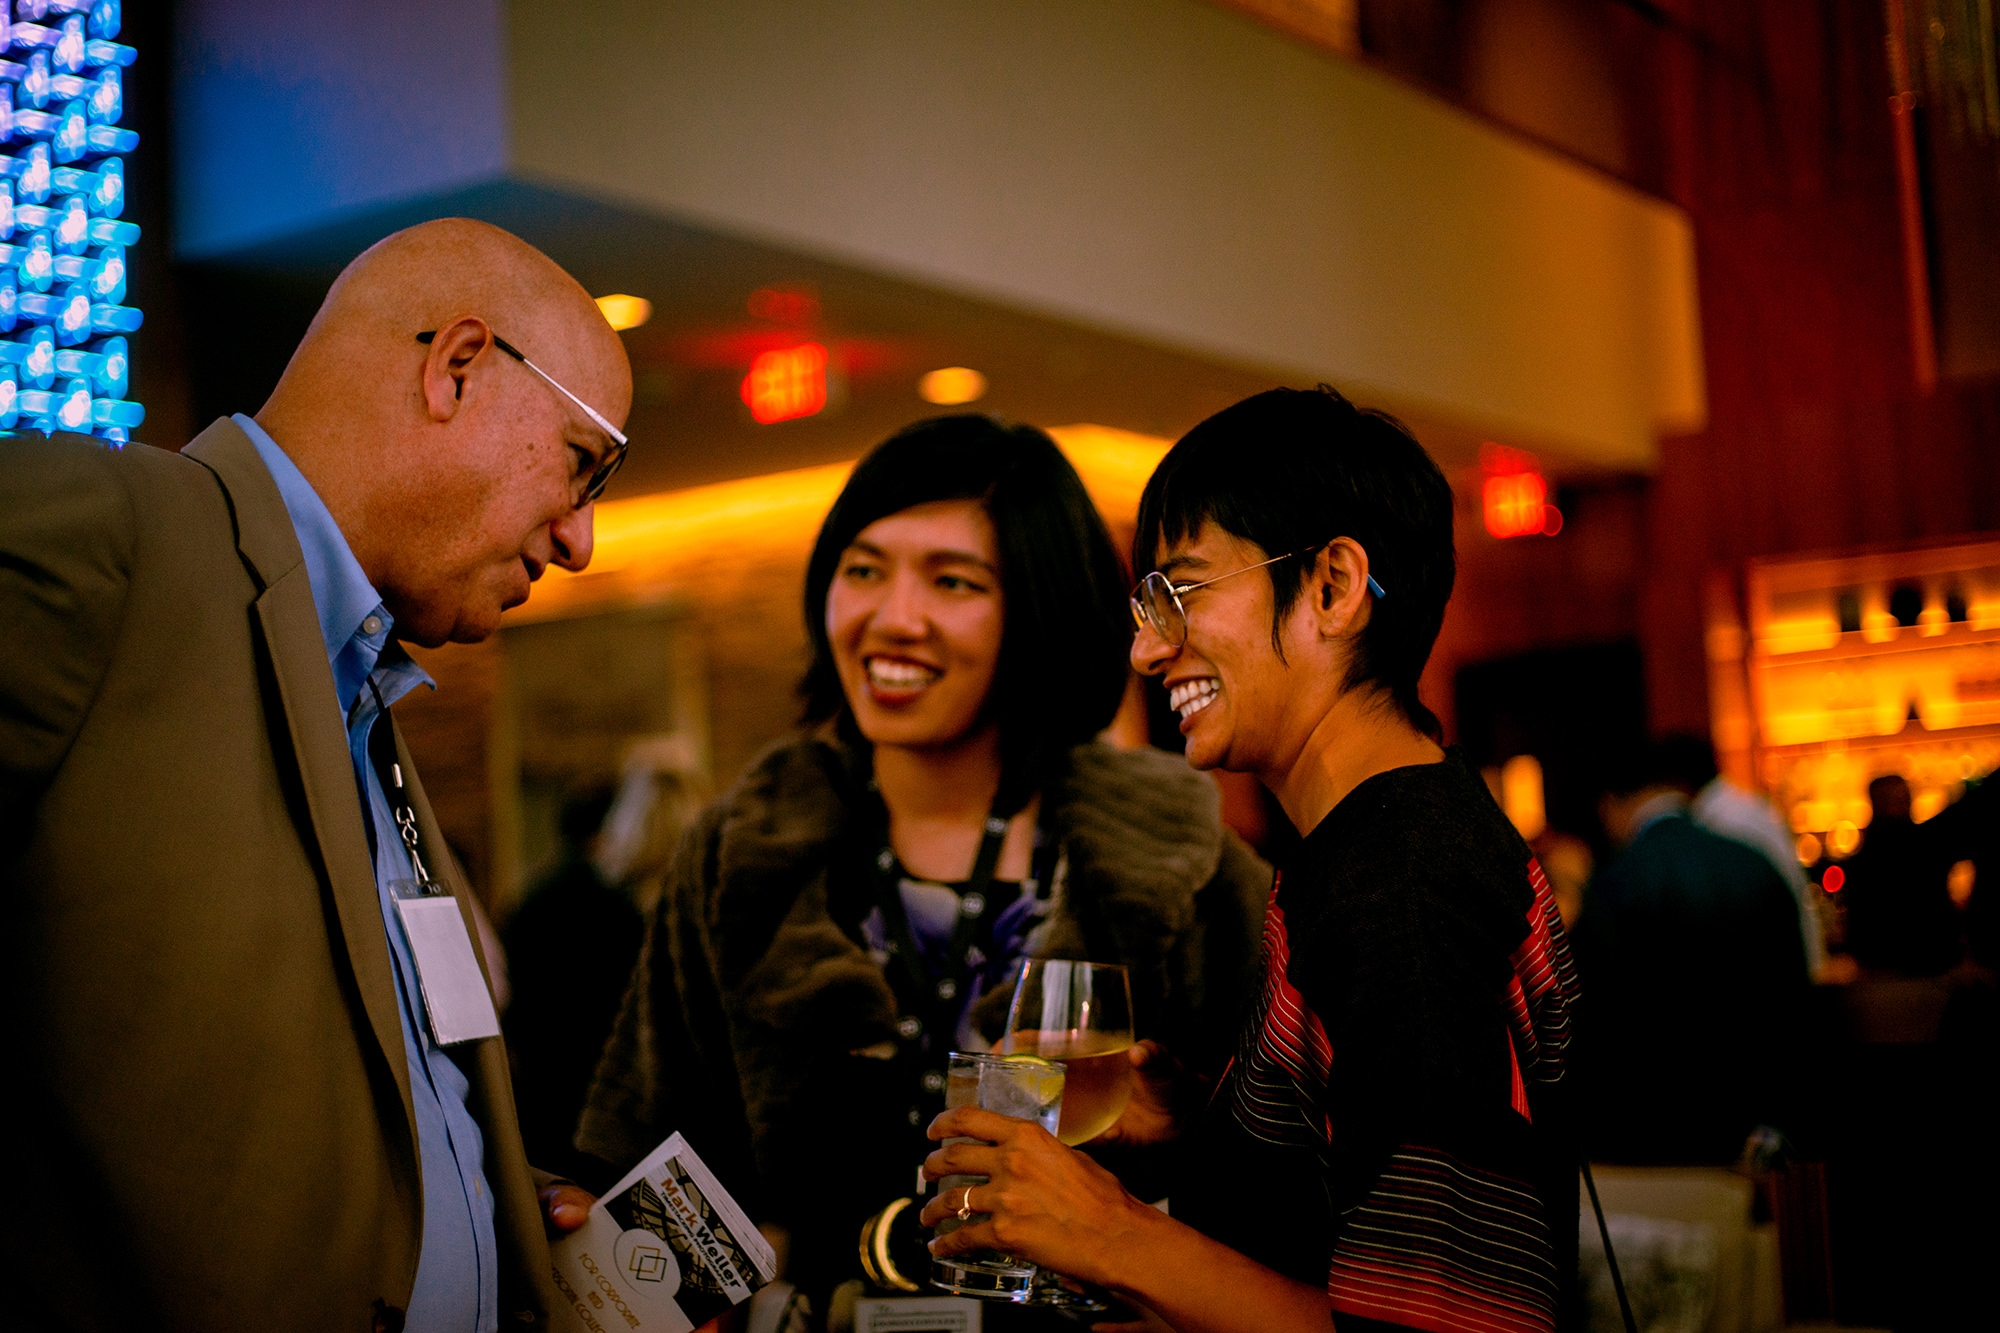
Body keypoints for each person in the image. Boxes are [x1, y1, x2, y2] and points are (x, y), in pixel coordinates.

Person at [0, 219, 631, 1331]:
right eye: (583, 463)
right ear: (458, 367)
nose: (580, 538)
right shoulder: (113, 539)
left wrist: (474, 1206)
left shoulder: (362, 686)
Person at [577, 415, 1270, 1324]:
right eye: (863, 570)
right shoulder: (747, 849)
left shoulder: (1172, 858)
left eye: (952, 581)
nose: (893, 618)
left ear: (1038, 604)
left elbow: (1278, 1188)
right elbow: (645, 1144)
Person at [920, 387, 1582, 1333]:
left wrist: (1106, 1229)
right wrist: (1212, 1130)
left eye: (1179, 593)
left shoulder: (1404, 887)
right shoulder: (1367, 842)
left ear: (1333, 587)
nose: (1148, 650)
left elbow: (1446, 1328)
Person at [1571, 743, 1811, 1163]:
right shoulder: (1753, 861)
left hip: (1664, 1111)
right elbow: (1794, 989)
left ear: (1610, 804)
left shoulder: (1617, 881)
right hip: (1758, 1097)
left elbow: (1601, 1011)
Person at [503, 784, 644, 1180]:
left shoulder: (530, 898)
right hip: (598, 1078)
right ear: (605, 831)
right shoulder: (615, 903)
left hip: (543, 1078)